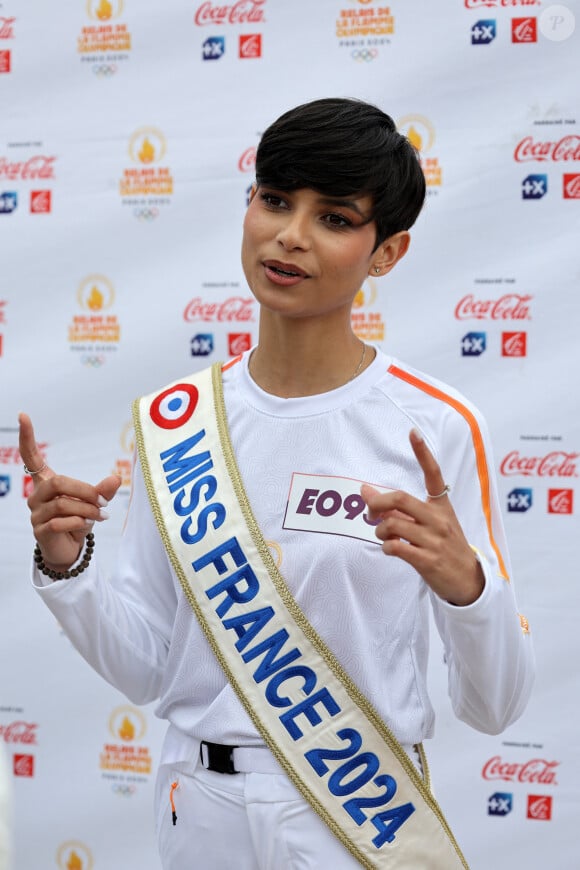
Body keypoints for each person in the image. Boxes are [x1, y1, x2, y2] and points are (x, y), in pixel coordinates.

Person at [19, 97, 534, 869]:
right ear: (248, 205)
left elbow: (495, 706)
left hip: (357, 815)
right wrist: (68, 566)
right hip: (198, 812)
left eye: (333, 217)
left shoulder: (436, 426)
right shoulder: (172, 420)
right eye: (275, 200)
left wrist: (467, 587)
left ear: (386, 253)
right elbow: (151, 669)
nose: (290, 235)